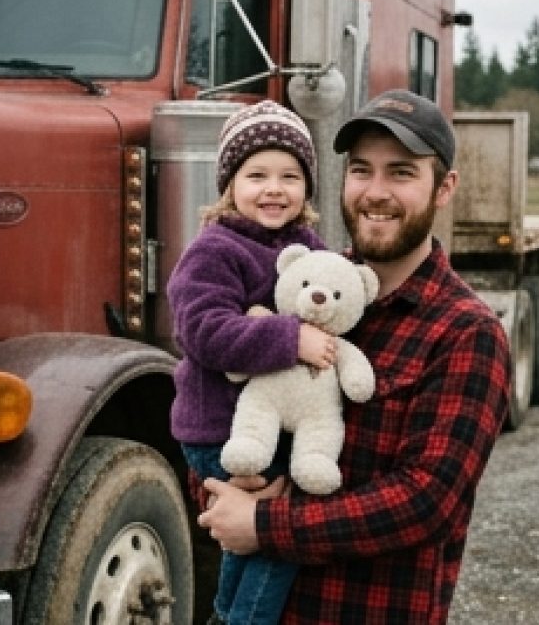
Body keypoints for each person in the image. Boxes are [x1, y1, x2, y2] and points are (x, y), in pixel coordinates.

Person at [197, 89, 512, 624]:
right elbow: (215, 404)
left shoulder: (466, 332)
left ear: (444, 188)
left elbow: (425, 501)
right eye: (361, 170)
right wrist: (226, 488)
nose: (376, 192)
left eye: (402, 173)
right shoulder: (296, 288)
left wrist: (265, 525)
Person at [167, 99, 337, 625]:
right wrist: (293, 340)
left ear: (307, 187)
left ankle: (226, 613)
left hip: (270, 423)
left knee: (248, 541)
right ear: (229, 185)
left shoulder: (307, 245)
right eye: (256, 174)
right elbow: (204, 332)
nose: (274, 188)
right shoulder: (215, 250)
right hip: (220, 428)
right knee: (274, 538)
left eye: (290, 175)